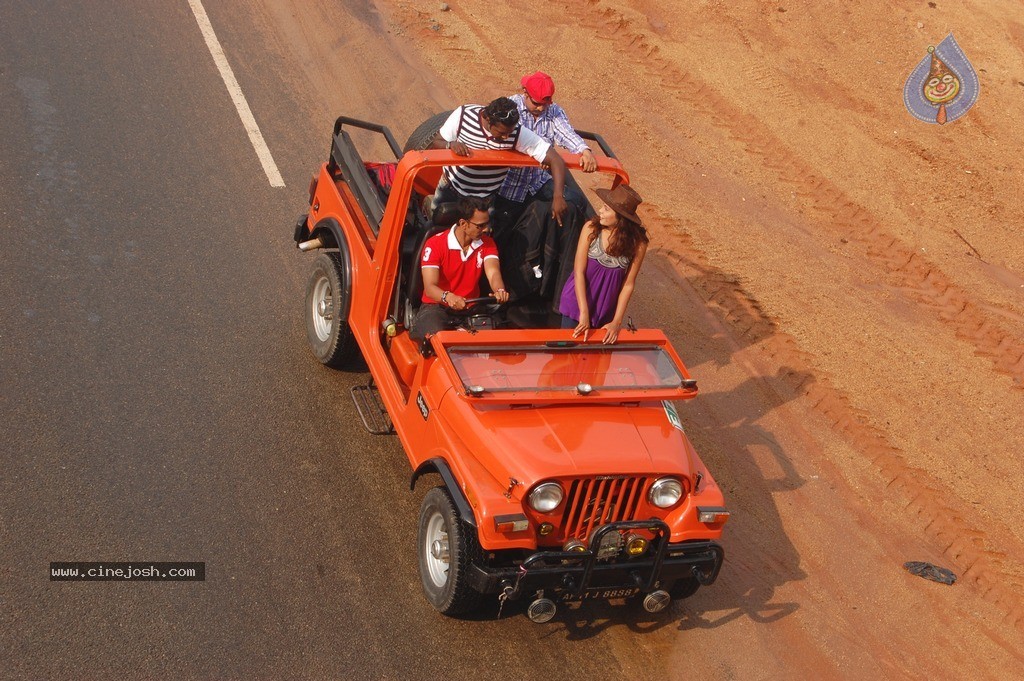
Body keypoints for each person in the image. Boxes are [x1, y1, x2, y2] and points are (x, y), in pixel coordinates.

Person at [428, 97, 569, 225]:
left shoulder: (517, 133)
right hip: (451, 190)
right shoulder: (463, 115)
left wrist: (558, 197)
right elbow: (437, 141)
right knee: (438, 229)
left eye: (510, 132)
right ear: (488, 120)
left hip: (484, 201)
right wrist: (450, 145)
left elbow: (555, 159)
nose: (506, 137)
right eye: (501, 133)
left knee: (477, 240)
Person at [558, 184, 649, 344]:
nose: (600, 211)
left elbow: (628, 285)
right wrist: (583, 312)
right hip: (576, 304)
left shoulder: (638, 244)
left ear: (621, 218)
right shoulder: (591, 229)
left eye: (606, 209)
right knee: (567, 352)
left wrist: (616, 322)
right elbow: (578, 272)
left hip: (605, 310)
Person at [411, 196, 511, 341]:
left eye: (487, 223)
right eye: (480, 226)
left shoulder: (488, 243)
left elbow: (493, 272)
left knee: (495, 340)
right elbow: (430, 288)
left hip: (471, 308)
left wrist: (499, 290)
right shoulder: (435, 244)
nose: (487, 229)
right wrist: (449, 297)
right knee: (437, 341)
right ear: (463, 224)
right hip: (437, 307)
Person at [499, 71, 597, 214]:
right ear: (525, 93)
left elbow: (566, 133)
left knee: (576, 202)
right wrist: (541, 156)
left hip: (538, 181)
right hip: (509, 185)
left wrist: (584, 150)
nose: (541, 108)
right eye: (537, 103)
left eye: (545, 104)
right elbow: (503, 140)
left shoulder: (554, 111)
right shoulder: (510, 109)